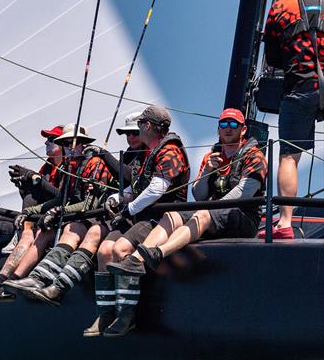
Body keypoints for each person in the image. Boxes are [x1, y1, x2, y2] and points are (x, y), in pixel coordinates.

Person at [106, 109, 267, 325]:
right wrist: (207, 172)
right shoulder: (211, 157)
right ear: (218, 128)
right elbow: (199, 194)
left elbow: (246, 192)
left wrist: (214, 208)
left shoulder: (255, 155)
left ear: (243, 129)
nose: (228, 129)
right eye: (224, 125)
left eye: (234, 125)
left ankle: (158, 252)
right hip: (212, 210)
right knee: (173, 215)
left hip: (244, 215)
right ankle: (137, 259)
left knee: (201, 215)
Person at [4, 112, 146, 305]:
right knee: (70, 229)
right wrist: (30, 212)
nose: (68, 148)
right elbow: (64, 198)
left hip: (109, 216)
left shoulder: (95, 162)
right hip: (89, 215)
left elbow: (92, 201)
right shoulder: (72, 166)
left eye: (72, 143)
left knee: (80, 231)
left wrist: (61, 211)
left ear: (82, 144)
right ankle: (36, 279)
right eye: (64, 143)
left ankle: (56, 286)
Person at [0, 124, 100, 302]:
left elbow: (72, 199)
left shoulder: (90, 164)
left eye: (53, 140)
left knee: (35, 236)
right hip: (49, 217)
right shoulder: (53, 167)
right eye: (64, 142)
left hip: (69, 219)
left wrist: (39, 184)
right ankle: (3, 282)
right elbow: (55, 197)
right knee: (30, 233)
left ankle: (7, 282)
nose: (47, 143)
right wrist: (27, 200)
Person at [87, 105, 189, 337]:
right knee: (105, 250)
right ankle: (105, 314)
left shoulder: (170, 151)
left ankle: (127, 315)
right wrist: (117, 198)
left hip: (160, 216)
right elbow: (138, 187)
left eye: (139, 126)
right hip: (141, 214)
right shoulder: (152, 152)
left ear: (148, 126)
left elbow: (157, 189)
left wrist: (130, 209)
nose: (135, 132)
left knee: (121, 248)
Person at [263, 0, 324, 239]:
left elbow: (273, 56)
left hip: (299, 85)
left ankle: (285, 223)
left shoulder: (280, 7)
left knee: (289, 155)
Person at [4, 125, 65, 254]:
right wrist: (24, 186)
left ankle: (23, 235)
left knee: (32, 192)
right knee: (30, 192)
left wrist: (34, 177)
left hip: (59, 209)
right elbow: (40, 191)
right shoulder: (47, 166)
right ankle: (23, 234)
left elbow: (61, 196)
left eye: (51, 139)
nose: (46, 142)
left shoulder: (68, 167)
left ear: (63, 143)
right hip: (44, 207)